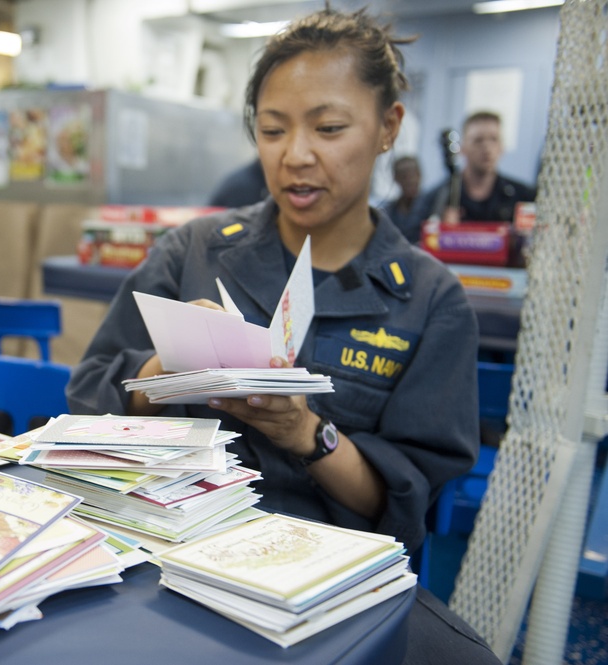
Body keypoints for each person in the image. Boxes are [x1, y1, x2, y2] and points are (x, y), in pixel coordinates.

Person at [68, 8, 497, 663]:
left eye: (328, 128)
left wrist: (306, 432)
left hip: (319, 568)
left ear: (388, 128)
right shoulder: (194, 251)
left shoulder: (429, 300)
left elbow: (401, 501)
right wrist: (164, 370)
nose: (296, 155)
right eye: (272, 130)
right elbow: (87, 399)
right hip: (161, 550)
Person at [427, 111, 537, 223]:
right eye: (478, 140)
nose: (487, 148)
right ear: (462, 148)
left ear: (502, 147)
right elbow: (414, 235)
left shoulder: (524, 197)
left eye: (493, 139)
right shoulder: (438, 198)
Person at [382, 155, 431, 243]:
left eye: (413, 175)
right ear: (396, 179)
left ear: (419, 175)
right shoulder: (389, 212)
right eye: (404, 176)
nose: (410, 180)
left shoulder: (431, 205)